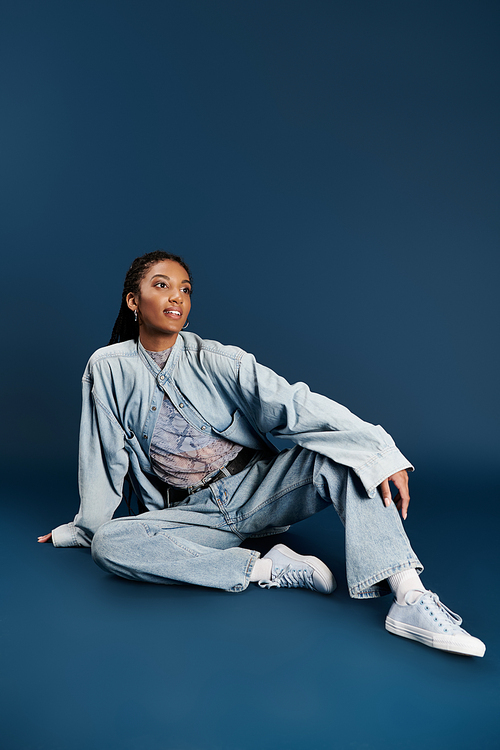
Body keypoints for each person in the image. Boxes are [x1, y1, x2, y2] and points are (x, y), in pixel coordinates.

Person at [39, 250, 485, 657]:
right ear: (133, 301)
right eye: (161, 285)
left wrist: (380, 450)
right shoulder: (107, 367)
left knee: (344, 456)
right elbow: (103, 454)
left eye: (185, 289)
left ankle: (409, 597)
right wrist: (85, 529)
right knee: (110, 544)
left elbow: (296, 405)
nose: (176, 297)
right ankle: (266, 568)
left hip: (259, 490)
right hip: (194, 515)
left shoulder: (218, 360)